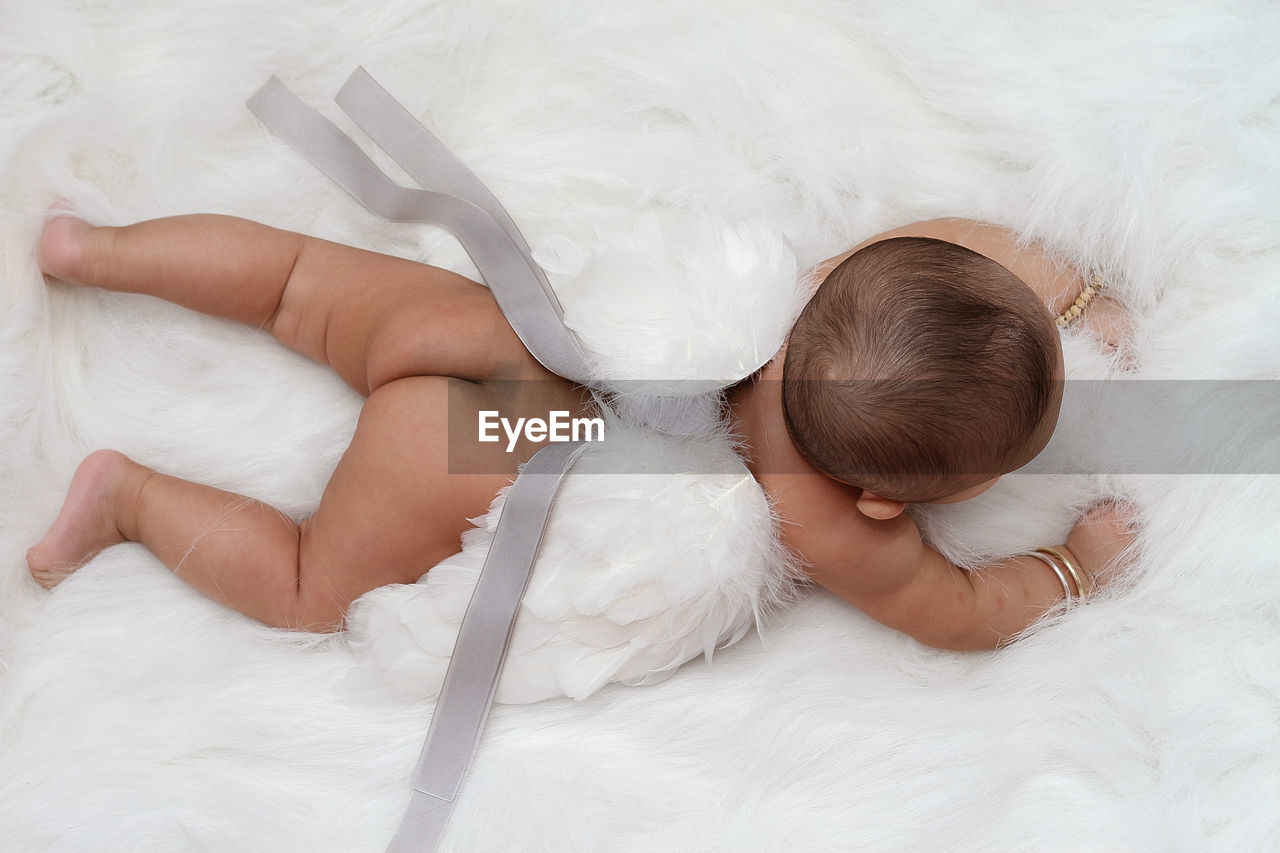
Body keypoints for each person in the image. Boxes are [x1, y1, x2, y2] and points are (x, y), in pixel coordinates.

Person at [25, 212, 1135, 648]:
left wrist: (1064, 287)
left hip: (506, 342)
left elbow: (942, 240)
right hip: (448, 460)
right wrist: (1068, 567)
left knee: (297, 281)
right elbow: (958, 611)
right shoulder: (834, 514)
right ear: (891, 497)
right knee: (314, 586)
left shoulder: (816, 294)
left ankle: (100, 252)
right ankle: (126, 496)